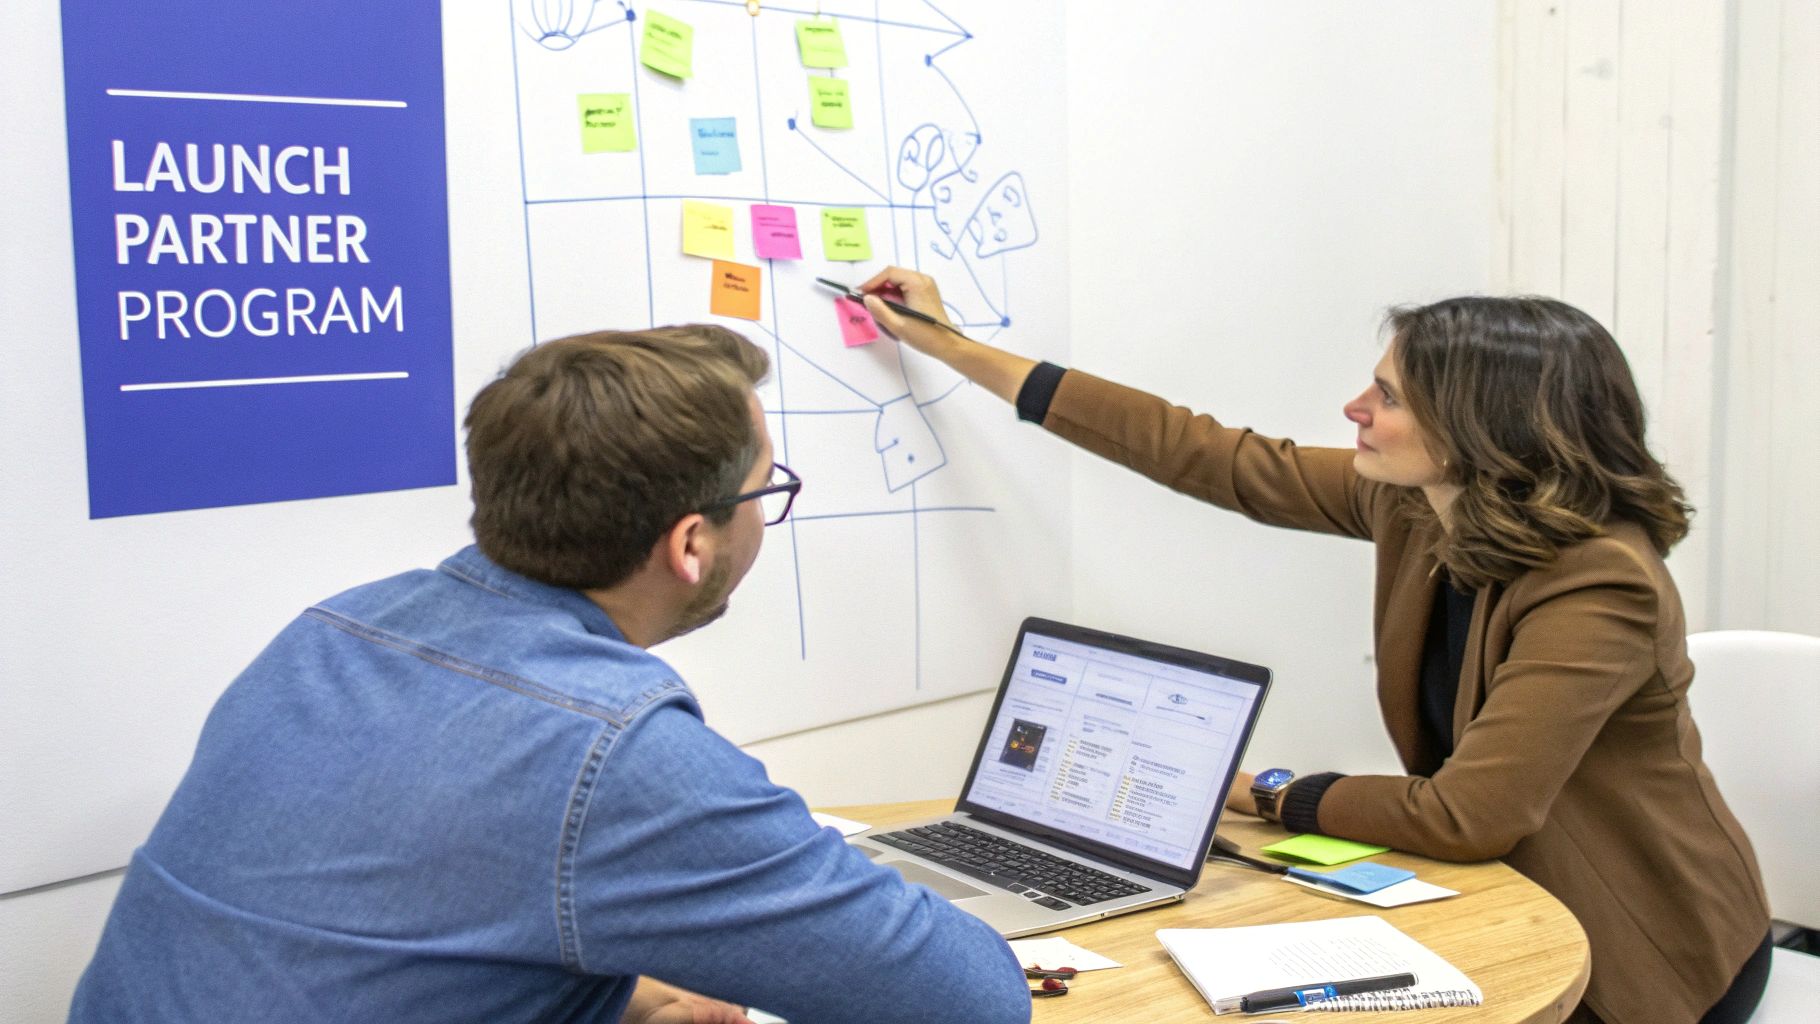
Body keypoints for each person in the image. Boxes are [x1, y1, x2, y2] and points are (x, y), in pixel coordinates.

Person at [856, 267, 1772, 1024]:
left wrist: (1274, 793)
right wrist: (952, 346)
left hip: (1639, 944)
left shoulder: (1597, 579)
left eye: (1387, 396)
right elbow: (1205, 454)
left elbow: (1469, 815)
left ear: (1479, 431)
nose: (1354, 409)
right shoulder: (1422, 502)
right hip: (1496, 893)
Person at [69, 326, 1031, 1024]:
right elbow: (973, 1003)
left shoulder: (332, 634)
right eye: (764, 493)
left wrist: (606, 988)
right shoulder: (620, 755)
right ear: (692, 543)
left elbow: (349, 946)